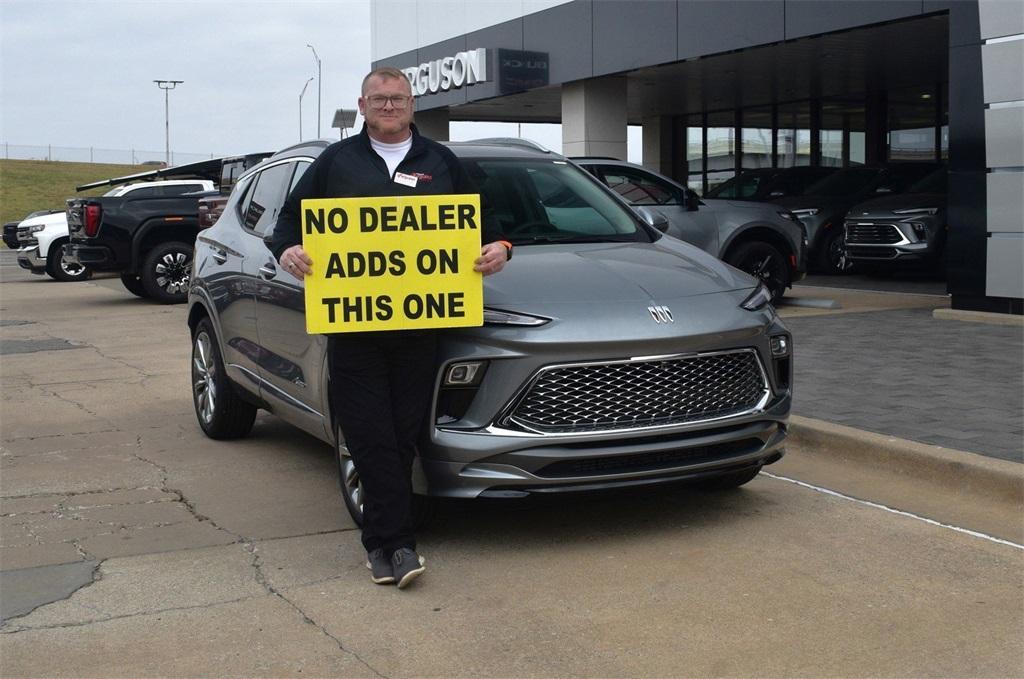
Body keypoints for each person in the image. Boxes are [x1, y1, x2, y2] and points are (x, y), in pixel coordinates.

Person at [268, 67, 509, 590]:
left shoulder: (441, 161)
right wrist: (288, 249)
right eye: (379, 99)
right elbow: (287, 225)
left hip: (420, 327)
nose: (389, 106)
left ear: (412, 104)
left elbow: (486, 226)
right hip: (353, 328)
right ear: (362, 104)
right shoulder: (337, 161)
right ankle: (394, 545)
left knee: (402, 434)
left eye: (397, 98)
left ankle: (388, 539)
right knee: (368, 433)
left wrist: (500, 249)